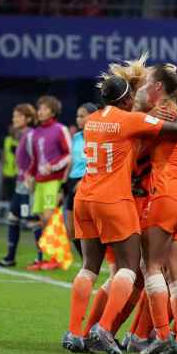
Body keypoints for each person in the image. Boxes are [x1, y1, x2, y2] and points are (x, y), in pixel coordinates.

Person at [63, 75, 177, 354]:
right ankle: (103, 328)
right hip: (113, 200)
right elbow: (176, 128)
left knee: (89, 267)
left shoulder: (92, 119)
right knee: (128, 267)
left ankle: (73, 332)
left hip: (85, 197)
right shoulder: (129, 119)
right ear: (127, 99)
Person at [136, 63, 177, 354]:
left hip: (163, 194)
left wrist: (142, 116)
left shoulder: (160, 116)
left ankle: (161, 335)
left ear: (158, 87)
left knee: (151, 267)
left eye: (148, 81)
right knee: (176, 272)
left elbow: (134, 151)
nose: (145, 86)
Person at [25, 95, 71, 271]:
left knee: (49, 218)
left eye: (44, 108)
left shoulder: (60, 129)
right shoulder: (35, 133)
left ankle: (56, 257)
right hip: (40, 182)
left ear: (52, 111)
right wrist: (30, 174)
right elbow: (34, 160)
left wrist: (52, 167)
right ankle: (46, 257)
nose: (40, 111)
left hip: (54, 180)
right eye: (39, 108)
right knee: (42, 221)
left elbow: (68, 155)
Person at [0, 104, 39, 267]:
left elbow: (35, 157)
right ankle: (10, 257)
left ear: (28, 119)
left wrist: (31, 177)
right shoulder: (22, 135)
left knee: (31, 220)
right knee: (13, 217)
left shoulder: (30, 135)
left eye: (18, 116)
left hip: (27, 185)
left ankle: (41, 258)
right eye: (14, 116)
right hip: (20, 183)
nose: (14, 119)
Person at [65, 102, 98, 257]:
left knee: (89, 228)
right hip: (73, 181)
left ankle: (97, 263)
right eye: (77, 116)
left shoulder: (99, 136)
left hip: (88, 181)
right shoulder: (77, 137)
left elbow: (98, 161)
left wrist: (84, 180)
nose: (79, 119)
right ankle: (86, 263)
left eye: (82, 116)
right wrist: (63, 184)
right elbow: (72, 161)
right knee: (70, 229)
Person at [1, 126, 19, 200]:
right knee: (6, 192)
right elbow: (4, 152)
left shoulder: (20, 141)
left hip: (16, 171)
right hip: (7, 170)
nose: (11, 131)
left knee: (15, 192)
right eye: (10, 129)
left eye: (12, 129)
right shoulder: (7, 139)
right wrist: (3, 163)